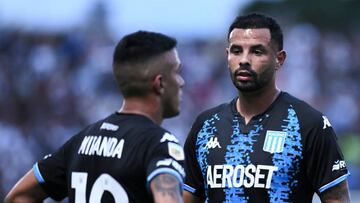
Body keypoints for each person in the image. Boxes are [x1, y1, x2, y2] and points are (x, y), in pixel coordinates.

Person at [183, 13, 351, 203]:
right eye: (236, 51)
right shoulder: (205, 126)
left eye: (257, 51)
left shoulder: (308, 123)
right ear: (227, 55)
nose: (244, 60)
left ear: (279, 59)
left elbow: (337, 199)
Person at [5, 31, 186, 203]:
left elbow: (19, 196)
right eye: (177, 73)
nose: (182, 82)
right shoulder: (160, 144)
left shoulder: (82, 140)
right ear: (160, 83)